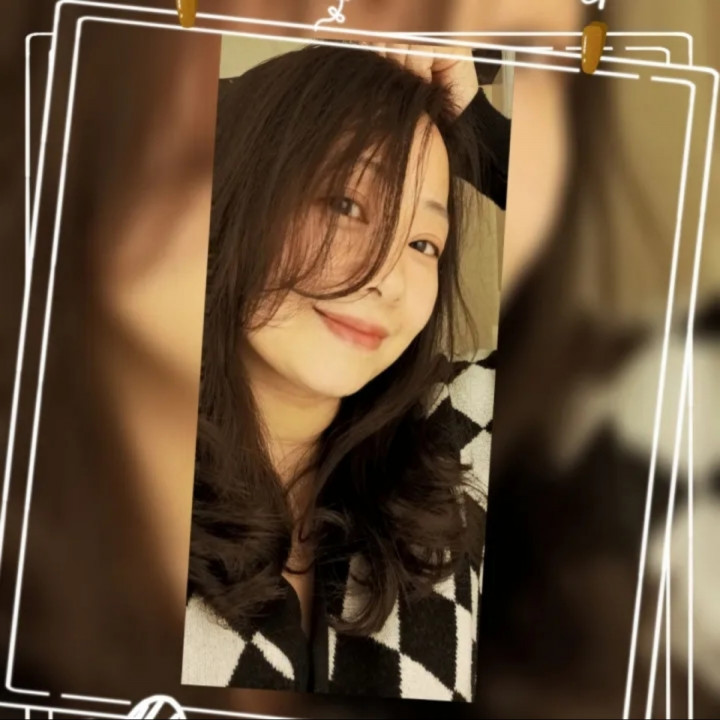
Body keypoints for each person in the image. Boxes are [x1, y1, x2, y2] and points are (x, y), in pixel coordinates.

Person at [181, 42, 506, 702]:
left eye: (423, 242)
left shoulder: (460, 432)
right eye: (346, 205)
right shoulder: (94, 474)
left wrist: (472, 119)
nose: (386, 275)